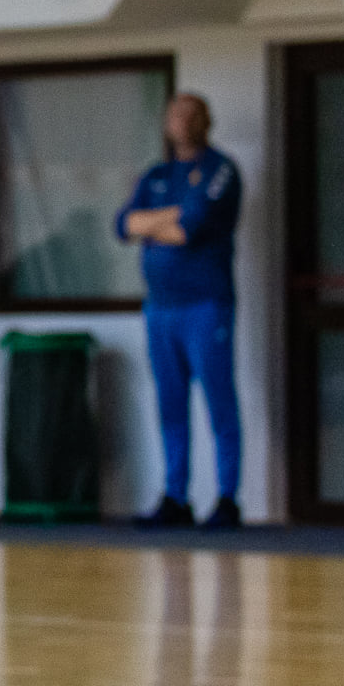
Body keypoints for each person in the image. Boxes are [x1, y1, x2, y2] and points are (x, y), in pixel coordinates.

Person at [117, 92, 242, 530]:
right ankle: (175, 496)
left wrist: (150, 224)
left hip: (206, 306)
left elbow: (192, 225)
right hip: (160, 309)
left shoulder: (220, 170)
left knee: (219, 401)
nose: (182, 122)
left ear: (206, 120)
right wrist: (162, 220)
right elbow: (123, 224)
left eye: (191, 114)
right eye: (175, 114)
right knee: (170, 404)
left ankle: (227, 498)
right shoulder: (156, 174)